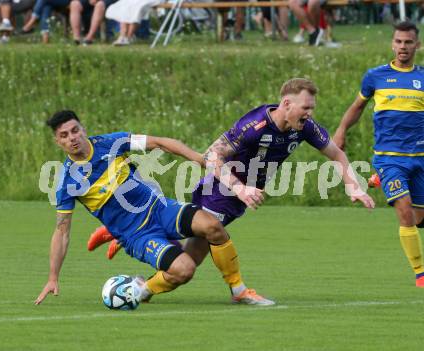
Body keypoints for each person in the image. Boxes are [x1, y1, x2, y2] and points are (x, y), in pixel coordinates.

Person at [88, 78, 375, 283]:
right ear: (287, 103)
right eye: (306, 108)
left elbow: (337, 154)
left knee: (193, 251)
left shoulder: (304, 128)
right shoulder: (254, 125)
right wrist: (240, 187)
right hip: (219, 189)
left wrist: (353, 186)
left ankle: (120, 236)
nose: (310, 114)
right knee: (194, 253)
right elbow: (213, 155)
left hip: (241, 194)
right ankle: (231, 290)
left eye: (312, 108)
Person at [35, 110, 274, 306]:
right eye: (64, 135)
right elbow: (62, 231)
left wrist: (199, 160)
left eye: (75, 130)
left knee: (213, 226)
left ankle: (239, 290)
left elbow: (160, 143)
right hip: (137, 235)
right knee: (184, 271)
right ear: (58, 141)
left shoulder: (110, 143)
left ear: (83, 129)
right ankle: (142, 288)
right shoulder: (67, 182)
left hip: (160, 209)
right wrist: (53, 277)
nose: (72, 138)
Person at [333, 21, 424, 288]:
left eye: (408, 42)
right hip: (389, 157)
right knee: (404, 211)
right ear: (392, 44)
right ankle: (420, 273)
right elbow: (357, 107)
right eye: (398, 41)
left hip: (419, 157)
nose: (403, 47)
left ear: (417, 45)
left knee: (417, 219)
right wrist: (340, 131)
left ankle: (378, 180)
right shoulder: (376, 76)